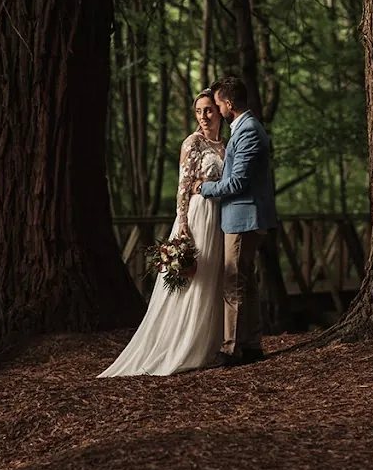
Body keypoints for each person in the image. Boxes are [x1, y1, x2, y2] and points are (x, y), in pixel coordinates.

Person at [98, 90, 226, 377]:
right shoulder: (193, 143)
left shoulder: (225, 146)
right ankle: (181, 343)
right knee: (194, 276)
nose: (204, 117)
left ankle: (208, 343)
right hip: (197, 215)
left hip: (219, 217)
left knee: (213, 277)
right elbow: (184, 184)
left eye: (208, 110)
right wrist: (182, 223)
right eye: (198, 111)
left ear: (219, 112)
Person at [197, 76, 277, 367]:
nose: (216, 109)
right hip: (243, 216)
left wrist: (203, 188)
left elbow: (238, 182)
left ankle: (232, 349)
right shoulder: (242, 129)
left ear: (229, 103)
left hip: (243, 217)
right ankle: (252, 344)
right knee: (247, 282)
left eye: (217, 103)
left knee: (234, 283)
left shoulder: (248, 132)